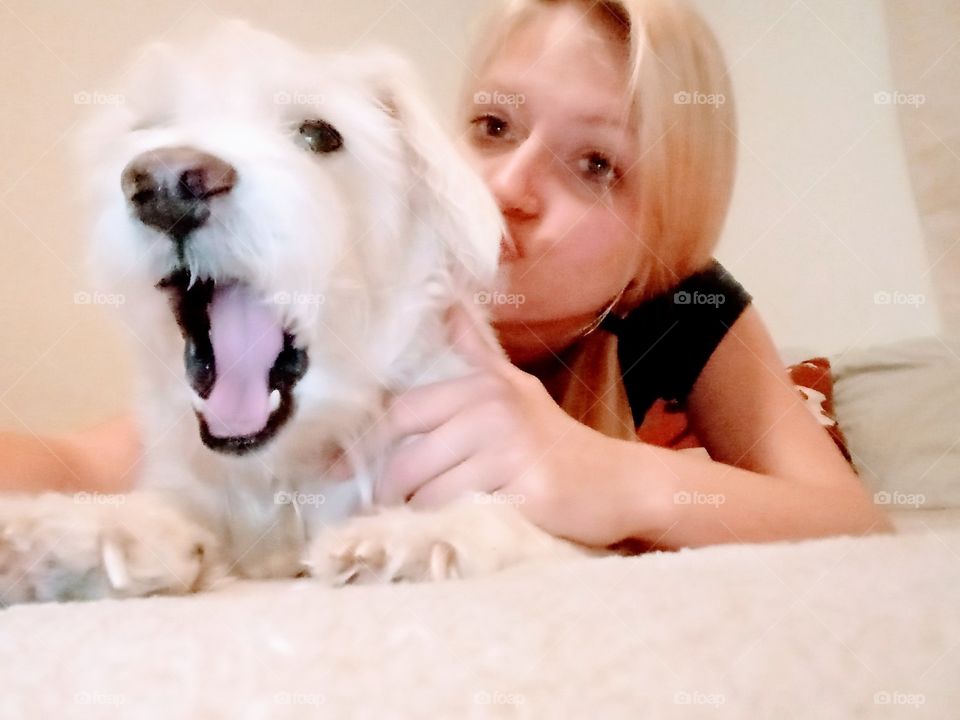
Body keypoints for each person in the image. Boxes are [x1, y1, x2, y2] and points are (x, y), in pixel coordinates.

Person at [0, 0, 893, 550]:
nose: (505, 187)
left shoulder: (690, 304)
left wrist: (610, 480)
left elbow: (848, 521)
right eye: (494, 127)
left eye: (596, 164)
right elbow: (87, 458)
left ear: (663, 232)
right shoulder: (367, 315)